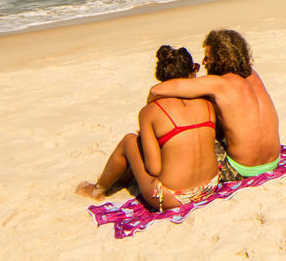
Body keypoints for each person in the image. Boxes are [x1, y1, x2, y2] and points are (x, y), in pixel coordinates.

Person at [76, 46, 220, 210]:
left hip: (172, 197)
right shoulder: (207, 102)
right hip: (210, 186)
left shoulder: (150, 111)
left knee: (130, 141)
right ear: (190, 72)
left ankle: (97, 190)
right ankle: (121, 179)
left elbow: (154, 168)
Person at [149, 28, 281, 180]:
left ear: (220, 59)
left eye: (207, 58)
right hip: (273, 162)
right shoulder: (252, 74)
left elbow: (157, 90)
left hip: (242, 170)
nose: (204, 62)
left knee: (193, 131)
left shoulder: (219, 84)